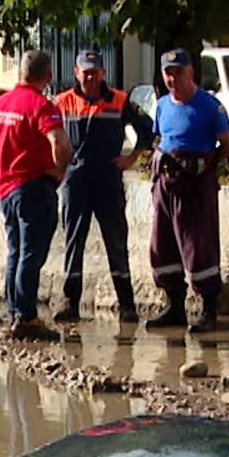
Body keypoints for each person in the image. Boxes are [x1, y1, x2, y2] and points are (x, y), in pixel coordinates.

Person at [51, 49, 155, 323]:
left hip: (108, 179)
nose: (90, 77)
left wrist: (131, 157)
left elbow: (148, 128)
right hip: (76, 180)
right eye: (85, 72)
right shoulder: (62, 102)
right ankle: (70, 301)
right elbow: (45, 134)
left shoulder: (120, 100)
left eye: (95, 72)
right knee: (74, 240)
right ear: (76, 72)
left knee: (116, 241)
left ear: (103, 73)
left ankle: (126, 304)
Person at [146, 49, 229, 333]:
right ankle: (175, 307)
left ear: (191, 72)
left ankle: (208, 310)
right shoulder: (162, 105)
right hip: (166, 185)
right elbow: (158, 138)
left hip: (196, 186)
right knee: (162, 246)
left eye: (179, 72)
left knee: (199, 246)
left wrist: (205, 163)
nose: (173, 78)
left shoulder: (210, 106)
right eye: (168, 73)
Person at [0, 50, 73, 340]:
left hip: (8, 188)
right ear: (48, 77)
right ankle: (26, 318)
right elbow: (58, 141)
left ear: (20, 73)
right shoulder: (42, 106)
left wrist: (0, 182)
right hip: (34, 188)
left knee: (15, 251)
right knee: (31, 254)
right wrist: (60, 170)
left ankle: (14, 312)